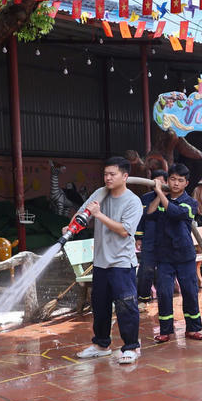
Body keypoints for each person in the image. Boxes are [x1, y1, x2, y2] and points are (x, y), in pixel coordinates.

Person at [70, 156, 144, 365]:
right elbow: (82, 213)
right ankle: (101, 345)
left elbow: (124, 230)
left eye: (112, 174)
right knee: (100, 306)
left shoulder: (133, 201)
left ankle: (131, 347)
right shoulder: (99, 193)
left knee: (125, 306)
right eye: (105, 174)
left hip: (122, 263)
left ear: (125, 176)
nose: (108, 178)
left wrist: (98, 215)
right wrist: (72, 226)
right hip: (101, 262)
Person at [147, 164, 202, 342]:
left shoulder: (191, 202)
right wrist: (158, 193)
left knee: (190, 292)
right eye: (172, 179)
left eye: (180, 180)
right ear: (167, 180)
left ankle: (193, 329)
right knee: (164, 293)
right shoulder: (161, 199)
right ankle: (166, 330)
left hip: (185, 255)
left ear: (187, 183)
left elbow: (176, 213)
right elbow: (149, 213)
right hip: (164, 256)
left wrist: (160, 192)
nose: (176, 183)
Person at [136, 169, 168, 308]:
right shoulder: (145, 198)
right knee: (146, 270)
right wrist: (139, 237)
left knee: (164, 271)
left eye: (162, 182)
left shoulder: (173, 196)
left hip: (166, 241)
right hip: (149, 239)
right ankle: (143, 299)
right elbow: (141, 218)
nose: (159, 185)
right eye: (156, 182)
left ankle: (165, 301)